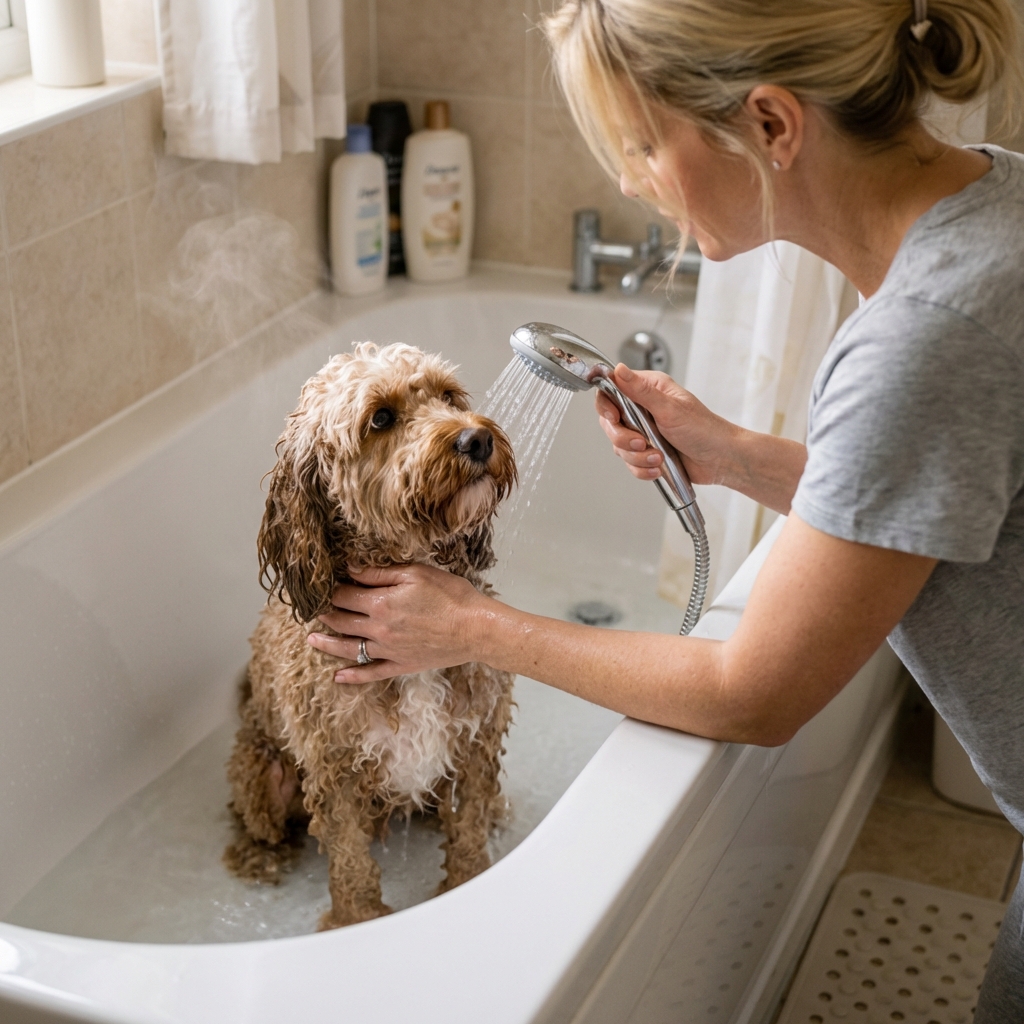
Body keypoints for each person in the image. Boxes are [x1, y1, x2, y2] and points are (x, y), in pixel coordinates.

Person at [307, 1, 1024, 1017]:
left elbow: (749, 696)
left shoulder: (923, 336)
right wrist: (731, 456)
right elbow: (950, 485)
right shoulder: (990, 202)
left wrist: (471, 628)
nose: (628, 179)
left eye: (645, 143)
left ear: (771, 126)